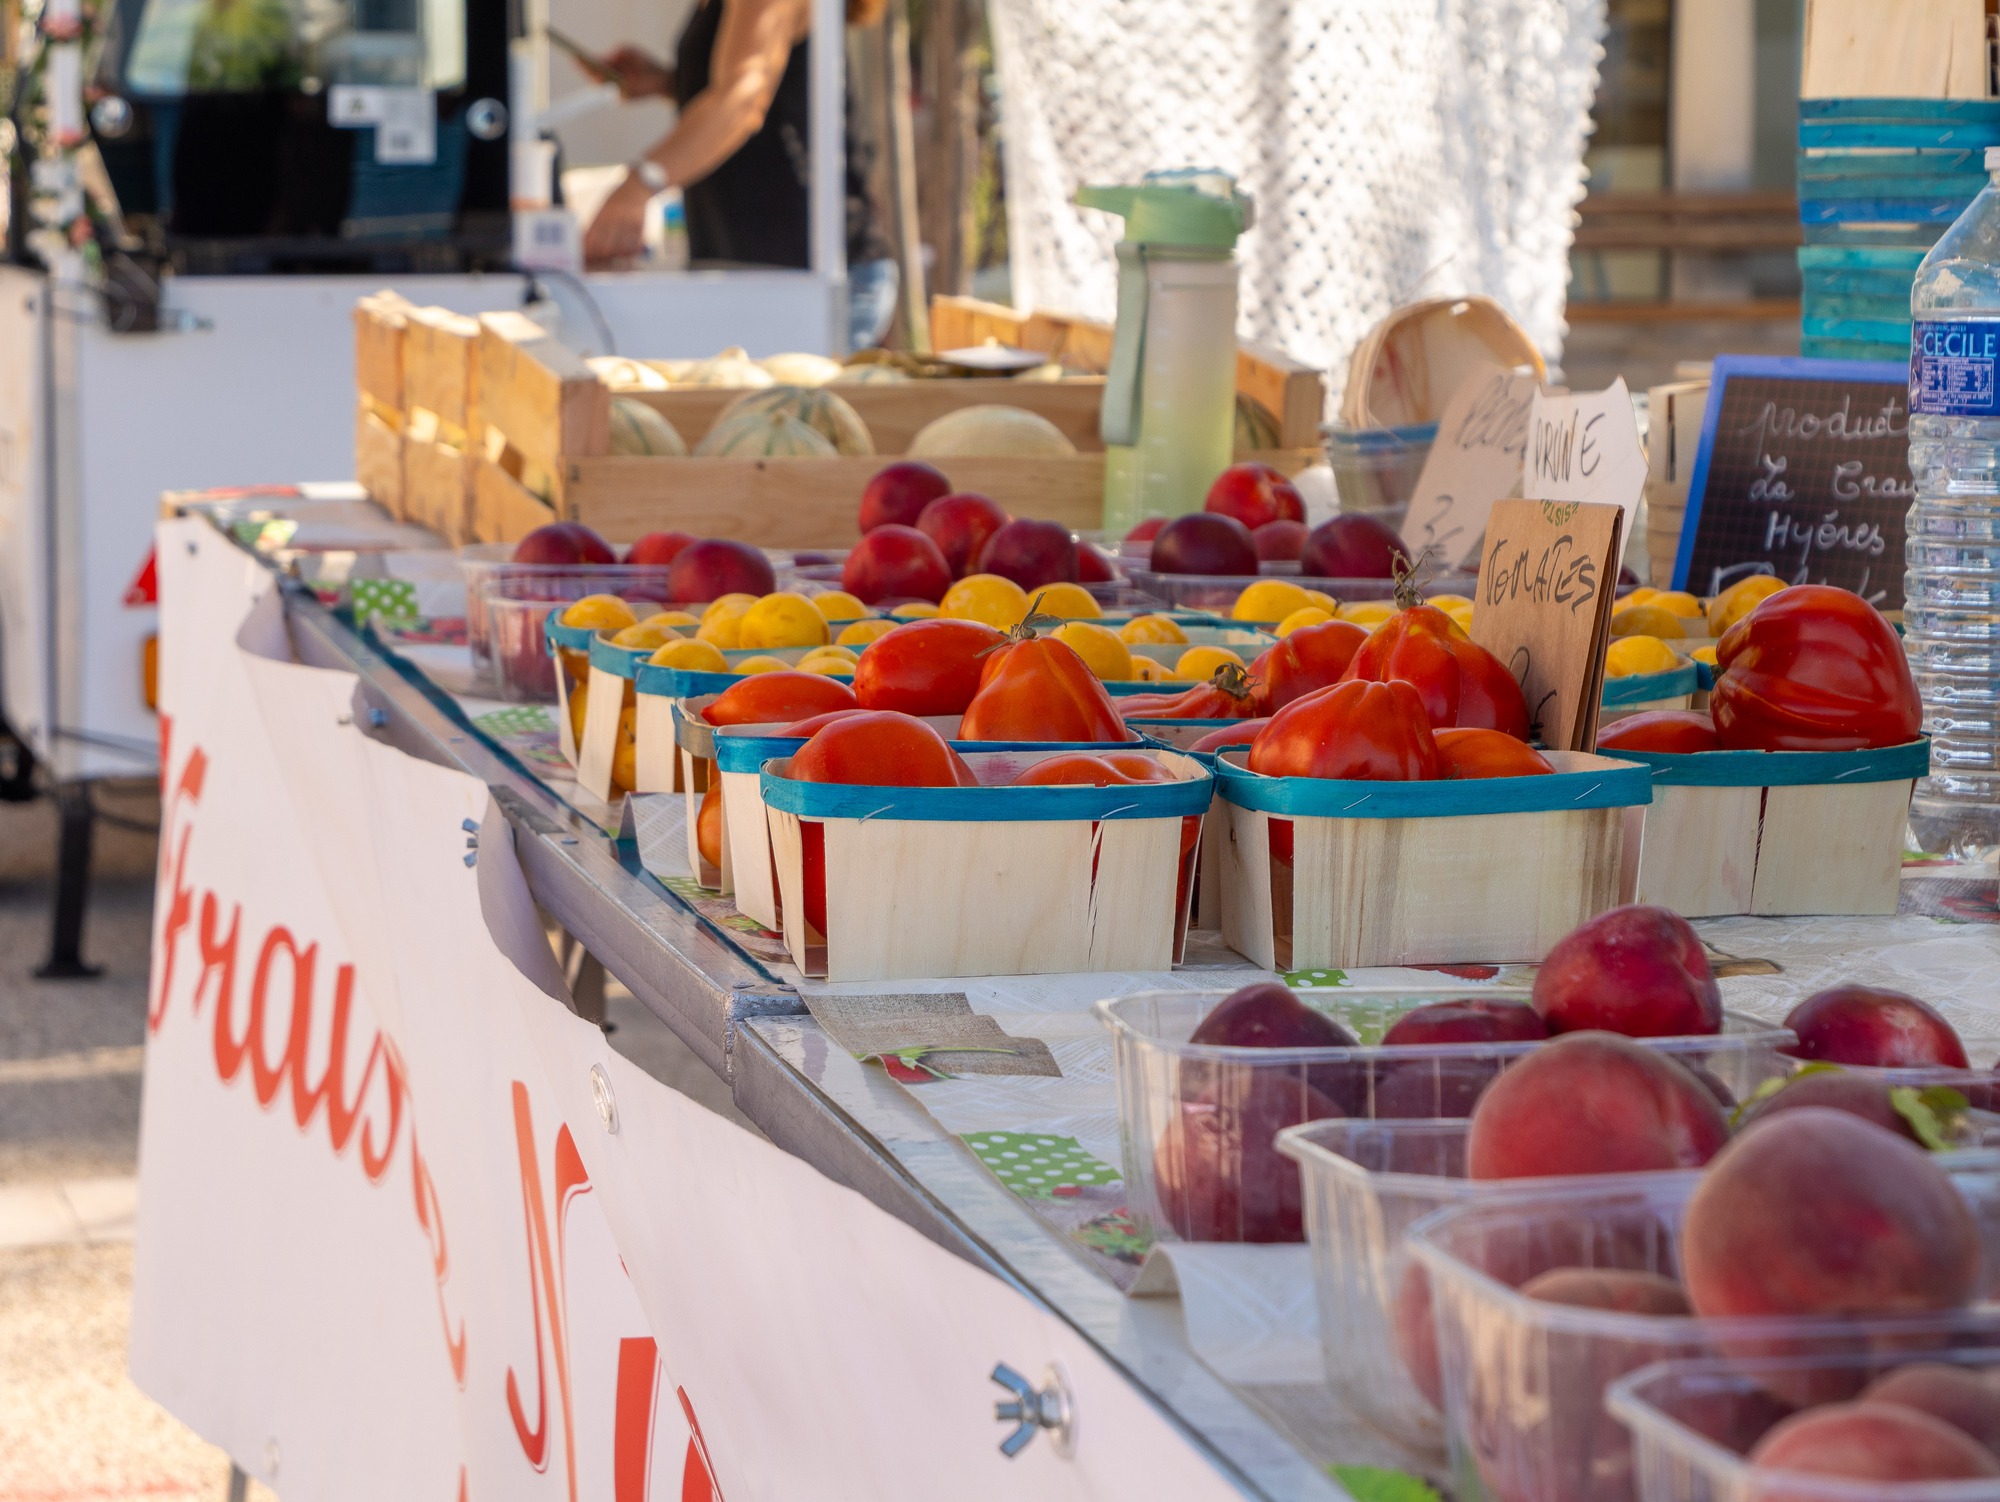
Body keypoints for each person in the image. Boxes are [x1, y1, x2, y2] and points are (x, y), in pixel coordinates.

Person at [580, 0, 899, 349]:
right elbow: (761, 91)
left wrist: (640, 185)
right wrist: (667, 82)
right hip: (757, 272)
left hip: (806, 274)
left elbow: (742, 100)